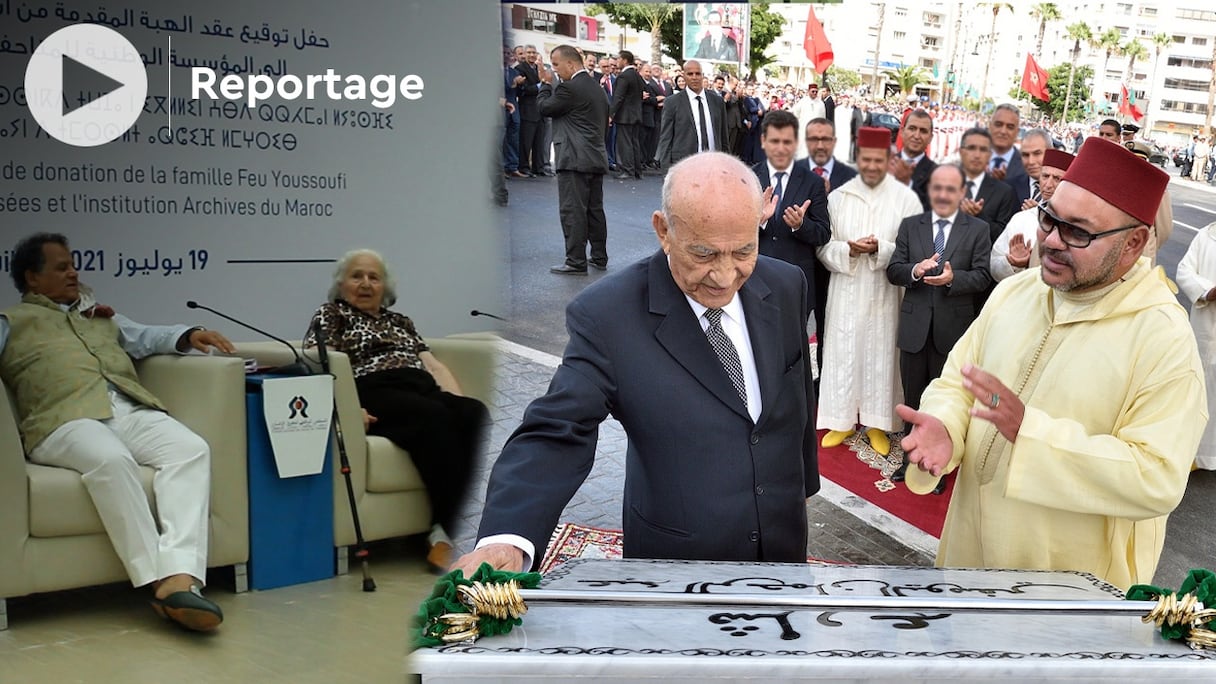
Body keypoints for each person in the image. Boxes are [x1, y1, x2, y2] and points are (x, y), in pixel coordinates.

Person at [454, 152, 819, 574]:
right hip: (676, 566)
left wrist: (803, 487)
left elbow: (797, 399)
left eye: (742, 251)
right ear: (663, 231)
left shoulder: (786, 283)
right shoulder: (608, 315)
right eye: (703, 254)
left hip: (784, 550)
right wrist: (508, 538)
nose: (724, 276)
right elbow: (556, 432)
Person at [900, 138, 1207, 590]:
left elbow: (1156, 477)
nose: (1052, 242)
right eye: (1050, 218)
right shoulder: (1016, 293)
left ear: (1134, 243)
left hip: (1067, 585)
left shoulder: (1162, 338)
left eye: (1078, 232)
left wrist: (1032, 435)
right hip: (970, 551)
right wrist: (947, 426)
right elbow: (958, 382)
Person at [0, 232, 234, 631]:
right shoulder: (11, 322)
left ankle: (181, 574)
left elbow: (147, 336)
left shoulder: (99, 317)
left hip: (125, 407)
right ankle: (161, 581)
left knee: (190, 448)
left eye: (74, 265)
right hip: (60, 420)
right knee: (111, 459)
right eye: (61, 267)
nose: (74, 272)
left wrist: (188, 334)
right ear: (32, 279)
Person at [304, 250, 489, 572]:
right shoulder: (332, 314)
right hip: (374, 389)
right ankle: (444, 533)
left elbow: (431, 364)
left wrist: (458, 403)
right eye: (357, 276)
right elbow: (319, 361)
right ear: (341, 284)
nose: (365, 284)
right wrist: (348, 408)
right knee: (434, 418)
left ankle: (456, 526)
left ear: (384, 286)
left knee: (474, 413)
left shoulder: (400, 321)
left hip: (419, 387)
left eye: (373, 277)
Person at [816, 127, 923, 456]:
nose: (873, 166)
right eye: (867, 160)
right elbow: (822, 247)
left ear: (890, 159)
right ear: (858, 159)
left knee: (880, 355)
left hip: (884, 293)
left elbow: (913, 249)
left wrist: (881, 248)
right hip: (846, 287)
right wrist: (848, 250)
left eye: (880, 160)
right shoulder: (838, 197)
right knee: (843, 352)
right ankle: (842, 420)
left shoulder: (906, 200)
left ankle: (877, 422)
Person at [886, 165, 992, 491]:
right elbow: (894, 270)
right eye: (938, 188)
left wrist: (953, 279)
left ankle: (938, 469)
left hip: (953, 332)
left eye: (951, 189)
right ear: (930, 191)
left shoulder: (977, 229)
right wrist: (915, 271)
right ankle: (909, 461)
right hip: (915, 328)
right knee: (915, 399)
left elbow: (983, 276)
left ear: (962, 193)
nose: (943, 195)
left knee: (944, 403)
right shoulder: (909, 226)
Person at [752, 110, 831, 331]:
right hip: (753, 279)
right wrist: (757, 221)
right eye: (774, 141)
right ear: (763, 141)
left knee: (791, 353)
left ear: (796, 143)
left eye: (787, 142)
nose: (780, 148)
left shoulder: (813, 183)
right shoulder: (747, 178)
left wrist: (800, 225)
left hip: (795, 284)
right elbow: (728, 231)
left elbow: (824, 233)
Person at [538, 45, 610, 276]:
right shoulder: (596, 88)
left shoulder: (569, 89)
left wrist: (546, 85)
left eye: (556, 65)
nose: (555, 70)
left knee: (573, 211)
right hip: (595, 156)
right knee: (594, 209)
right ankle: (599, 256)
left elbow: (544, 108)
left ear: (570, 63)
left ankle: (575, 261)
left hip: (573, 158)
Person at [990, 149, 1073, 282]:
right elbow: (994, 266)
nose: (1048, 184)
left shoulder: (1077, 225)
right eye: (1045, 176)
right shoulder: (1022, 218)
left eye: (1057, 179)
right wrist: (1013, 263)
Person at [1176, 220, 1216, 471]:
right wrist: (1209, 290)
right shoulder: (1207, 236)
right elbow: (1184, 271)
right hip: (1206, 327)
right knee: (1202, 386)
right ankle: (1197, 453)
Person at [656, 60, 726, 168]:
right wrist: (667, 172)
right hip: (684, 165)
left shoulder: (717, 101)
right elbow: (666, 138)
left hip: (713, 164)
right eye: (690, 74)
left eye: (698, 74)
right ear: (683, 76)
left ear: (702, 76)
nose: (694, 77)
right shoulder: (672, 102)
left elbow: (723, 136)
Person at [889, 109, 936, 211]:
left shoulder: (937, 174)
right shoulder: (886, 166)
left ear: (930, 138)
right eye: (912, 129)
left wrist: (907, 183)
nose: (916, 136)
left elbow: (932, 212)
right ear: (902, 132)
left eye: (923, 131)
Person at [609, 50, 645, 181]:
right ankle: (637, 170)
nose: (617, 61)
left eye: (618, 59)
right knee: (634, 142)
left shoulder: (624, 76)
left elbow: (618, 97)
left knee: (625, 143)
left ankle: (627, 170)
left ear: (624, 60)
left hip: (625, 115)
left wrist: (611, 114)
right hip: (636, 114)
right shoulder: (636, 75)